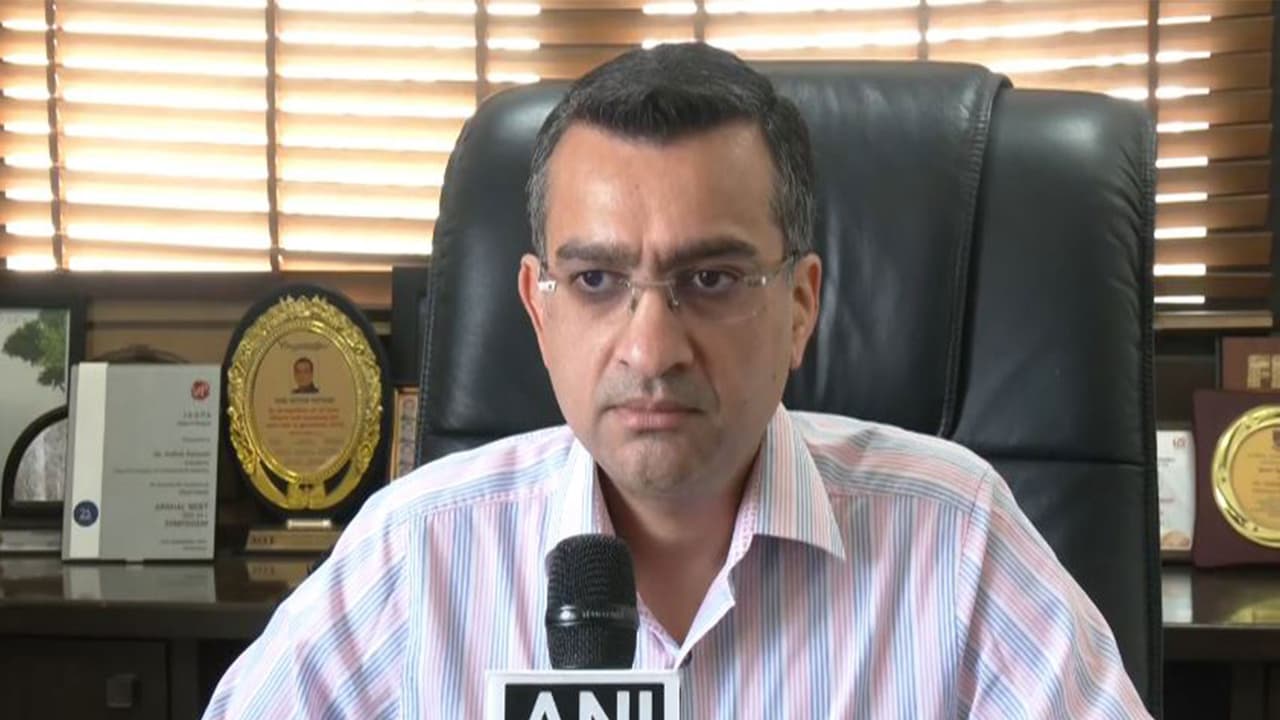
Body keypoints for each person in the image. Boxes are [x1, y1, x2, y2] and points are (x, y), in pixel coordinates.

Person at [203, 43, 1150, 718]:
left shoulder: (955, 540)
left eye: (712, 279)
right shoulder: (416, 557)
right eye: (596, 280)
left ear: (801, 306)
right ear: (538, 307)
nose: (651, 350)